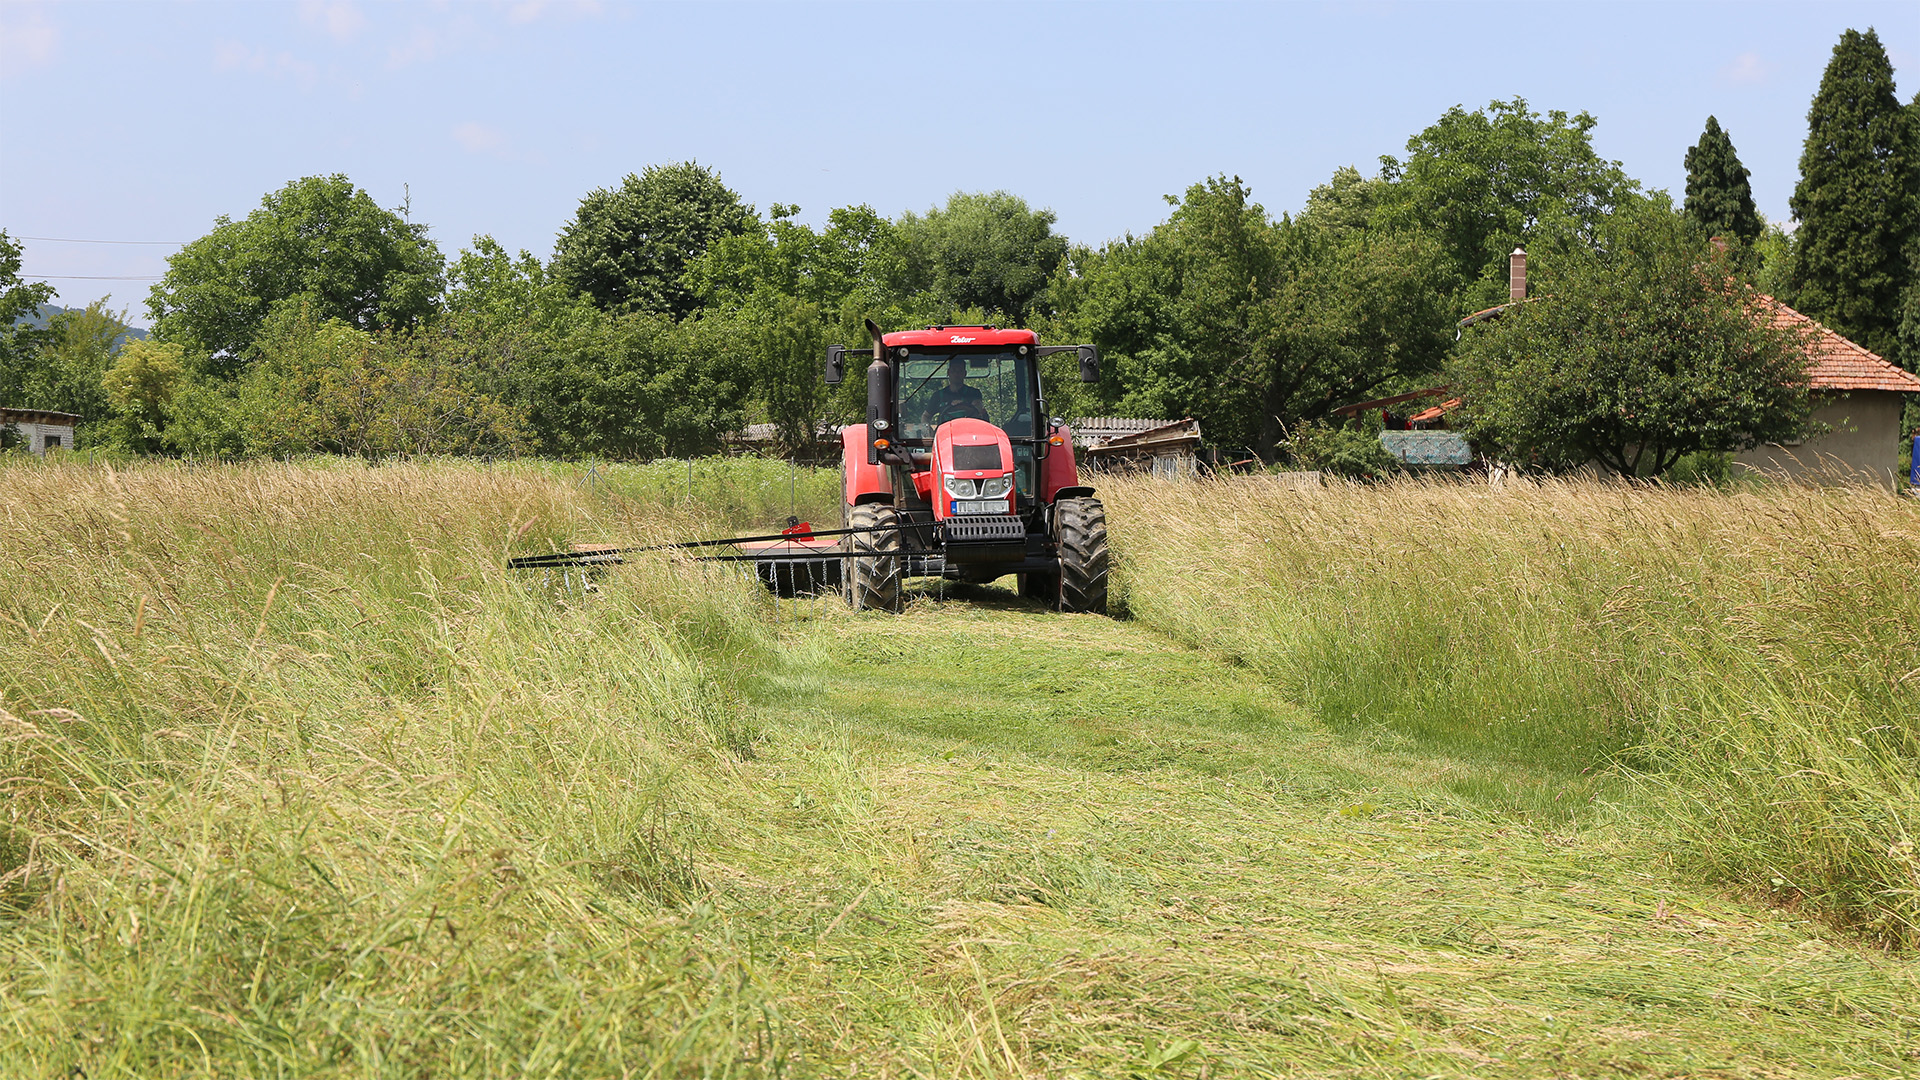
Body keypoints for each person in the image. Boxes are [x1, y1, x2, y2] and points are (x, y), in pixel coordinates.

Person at [924, 358, 988, 424]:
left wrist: (964, 406)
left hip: (969, 429)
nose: (956, 374)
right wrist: (927, 427)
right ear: (948, 372)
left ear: (965, 373)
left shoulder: (974, 393)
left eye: (960, 371)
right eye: (953, 370)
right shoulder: (938, 396)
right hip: (946, 430)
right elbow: (926, 416)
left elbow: (979, 410)